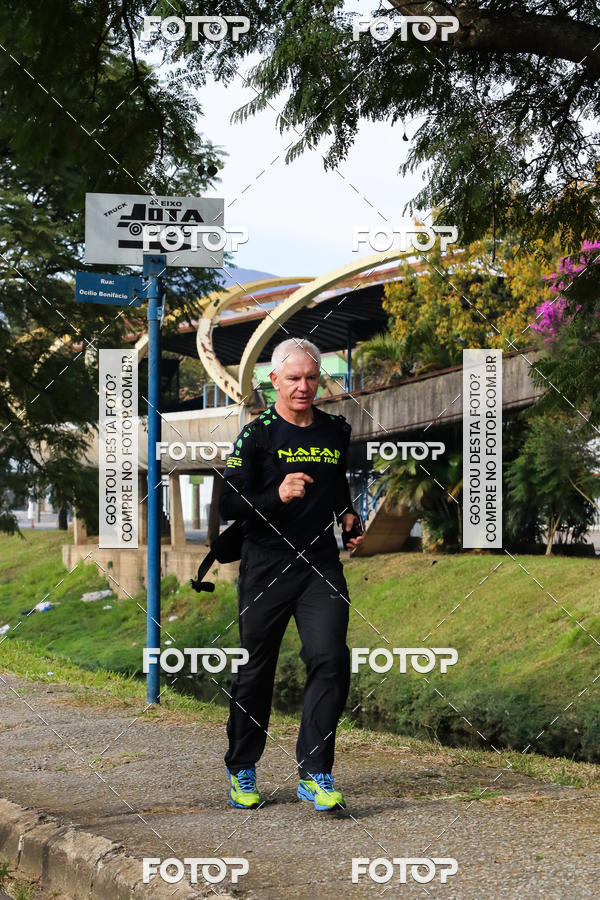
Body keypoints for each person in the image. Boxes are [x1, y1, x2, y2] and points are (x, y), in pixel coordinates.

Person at [219, 337, 364, 812]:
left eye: (310, 377)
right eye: (293, 378)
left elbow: (336, 480)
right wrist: (276, 495)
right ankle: (243, 765)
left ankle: (316, 773)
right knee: (256, 670)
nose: (303, 386)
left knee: (329, 658)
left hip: (319, 565)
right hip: (265, 566)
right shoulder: (256, 435)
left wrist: (346, 515)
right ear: (274, 381)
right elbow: (229, 504)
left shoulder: (334, 431)